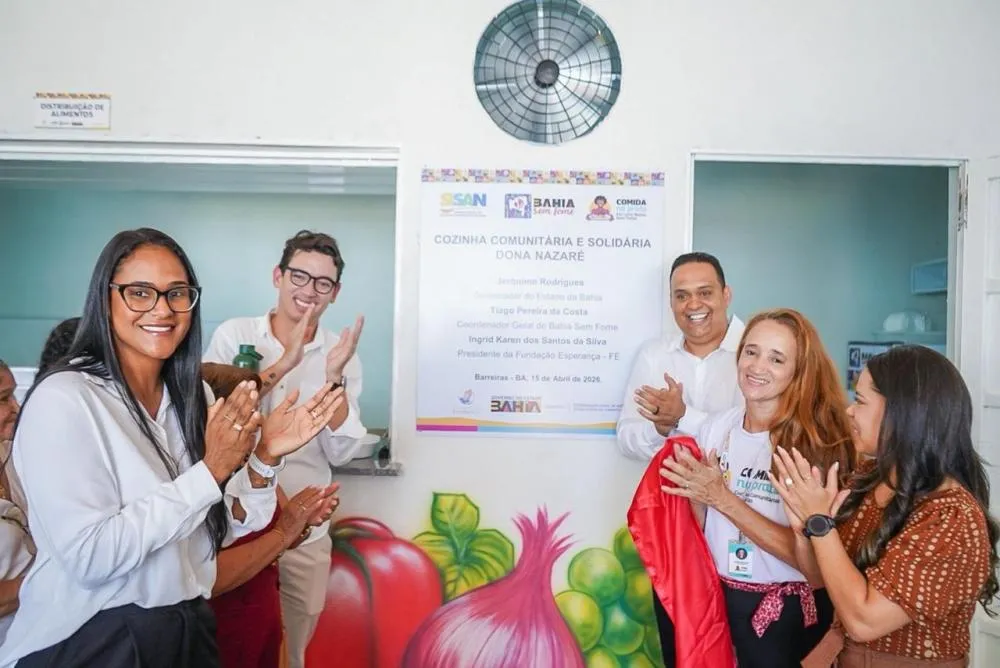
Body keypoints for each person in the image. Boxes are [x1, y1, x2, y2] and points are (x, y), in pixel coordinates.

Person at [0, 228, 342, 667]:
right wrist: (211, 471)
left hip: (182, 628)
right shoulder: (65, 398)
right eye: (140, 293)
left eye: (177, 293)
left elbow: (205, 536)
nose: (162, 309)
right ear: (104, 299)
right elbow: (92, 557)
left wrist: (265, 457)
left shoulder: (190, 396)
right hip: (89, 640)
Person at [773, 345, 999, 667]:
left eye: (861, 401)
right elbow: (821, 577)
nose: (850, 411)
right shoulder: (869, 477)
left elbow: (863, 622)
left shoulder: (951, 517)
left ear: (902, 415)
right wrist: (804, 528)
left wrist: (820, 522)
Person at [203, 229, 366, 668]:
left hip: (304, 526)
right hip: (234, 525)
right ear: (278, 276)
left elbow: (342, 451)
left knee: (292, 650)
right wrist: (284, 363)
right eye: (299, 276)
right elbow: (212, 415)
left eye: (323, 283)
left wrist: (333, 378)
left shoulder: (342, 354)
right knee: (231, 643)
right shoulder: (235, 335)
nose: (309, 290)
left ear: (335, 293)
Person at [658, 308, 855, 667]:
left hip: (784, 612)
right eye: (751, 351)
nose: (757, 366)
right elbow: (704, 527)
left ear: (799, 371)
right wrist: (696, 494)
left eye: (776, 359)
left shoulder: (813, 444)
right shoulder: (717, 428)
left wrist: (721, 497)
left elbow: (813, 565)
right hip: (720, 599)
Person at [201, 364, 339, 668]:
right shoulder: (197, 479)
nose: (258, 422)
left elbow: (284, 534)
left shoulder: (257, 468)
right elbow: (209, 575)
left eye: (256, 412)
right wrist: (285, 532)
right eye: (246, 413)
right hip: (219, 621)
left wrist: (304, 522)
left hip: (262, 607)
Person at [617, 251, 745, 462]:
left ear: (726, 295)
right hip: (666, 483)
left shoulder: (755, 354)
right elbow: (626, 439)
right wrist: (660, 428)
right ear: (671, 303)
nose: (693, 305)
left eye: (705, 293)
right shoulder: (653, 355)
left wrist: (683, 416)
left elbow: (754, 442)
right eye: (682, 296)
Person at [0, 360, 33, 646]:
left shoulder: (15, 454)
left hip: (38, 631)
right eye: (3, 399)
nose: (16, 408)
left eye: (13, 395)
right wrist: (52, 582)